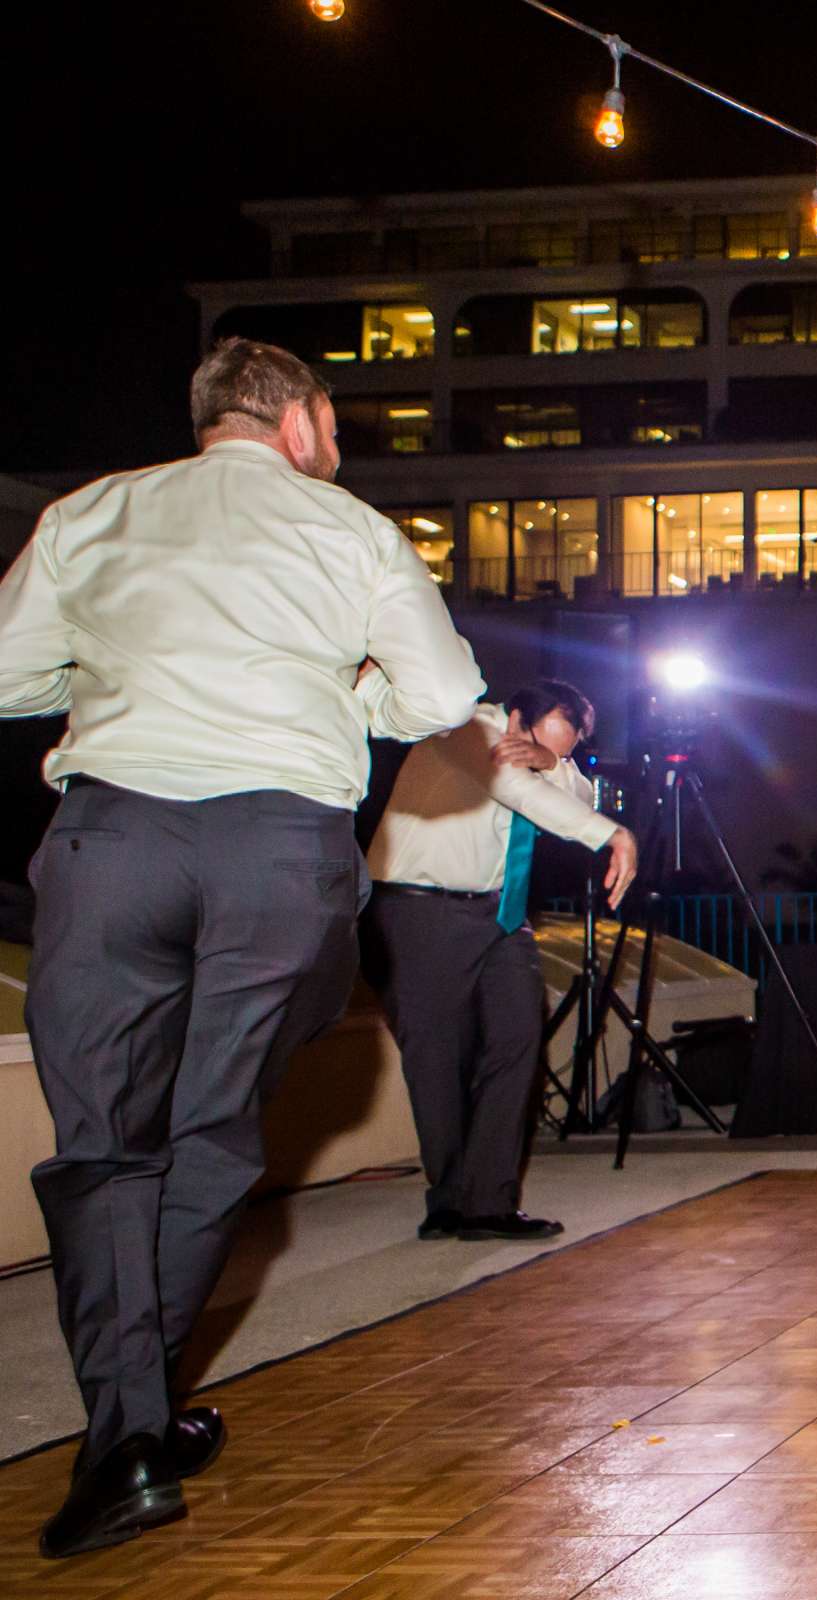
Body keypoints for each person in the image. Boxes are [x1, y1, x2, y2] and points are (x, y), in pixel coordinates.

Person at [0, 338, 484, 1558]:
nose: (341, 445)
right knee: (211, 1133)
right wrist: (351, 693)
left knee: (107, 1145)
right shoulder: (352, 530)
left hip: (113, 838)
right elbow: (437, 701)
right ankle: (133, 1424)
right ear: (300, 419)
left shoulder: (91, 512)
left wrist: (103, 670)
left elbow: (8, 679)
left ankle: (129, 1429)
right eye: (337, 421)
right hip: (277, 850)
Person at [363, 678, 638, 1245]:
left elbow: (576, 797)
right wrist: (613, 835)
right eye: (547, 744)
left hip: (501, 914)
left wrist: (550, 761)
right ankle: (448, 1203)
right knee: (438, 1062)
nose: (555, 763)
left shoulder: (541, 759)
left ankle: (488, 1203)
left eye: (566, 752)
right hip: (420, 910)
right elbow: (515, 790)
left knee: (517, 1040)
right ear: (516, 717)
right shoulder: (459, 725)